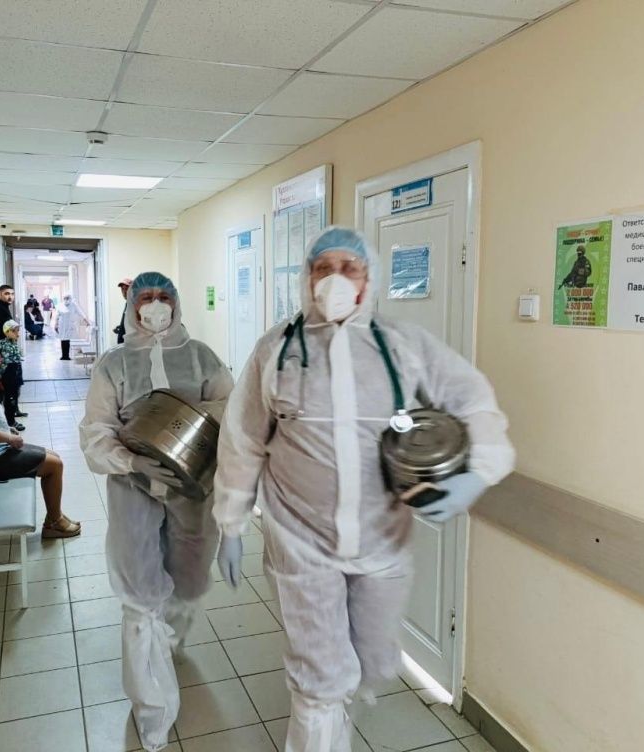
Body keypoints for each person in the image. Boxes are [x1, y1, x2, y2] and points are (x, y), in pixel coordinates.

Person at [213, 227, 515, 752]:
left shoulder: (403, 345)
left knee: (371, 662)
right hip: (300, 541)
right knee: (319, 680)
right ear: (307, 278)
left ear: (368, 278)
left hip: (381, 540)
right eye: (323, 268)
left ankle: (338, 721)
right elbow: (242, 439)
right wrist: (231, 521)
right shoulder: (277, 350)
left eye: (348, 268)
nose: (335, 279)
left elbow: (472, 399)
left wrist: (479, 472)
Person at [79, 271, 234, 751]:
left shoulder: (202, 356)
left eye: (164, 295)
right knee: (141, 597)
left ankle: (168, 643)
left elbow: (233, 407)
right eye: (145, 296)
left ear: (177, 302)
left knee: (188, 581)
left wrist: (193, 422)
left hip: (194, 488)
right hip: (134, 488)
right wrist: (131, 460)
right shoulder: (113, 364)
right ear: (131, 306)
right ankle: (153, 711)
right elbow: (95, 431)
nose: (155, 304)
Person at [0, 340, 81, 539]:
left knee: (54, 456)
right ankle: (54, 522)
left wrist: (7, 430)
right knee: (54, 466)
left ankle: (54, 517)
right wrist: (9, 438)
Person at [0, 320, 27, 430]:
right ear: (7, 332)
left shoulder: (14, 343)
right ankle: (10, 422)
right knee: (9, 398)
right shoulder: (1, 344)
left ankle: (13, 414)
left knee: (15, 395)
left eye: (18, 331)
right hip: (8, 374)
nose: (17, 333)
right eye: (15, 331)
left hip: (16, 372)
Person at [55, 293, 89, 360]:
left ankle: (67, 356)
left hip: (69, 325)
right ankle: (63, 356)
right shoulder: (60, 305)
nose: (66, 300)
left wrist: (86, 321)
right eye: (65, 298)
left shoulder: (73, 305)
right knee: (62, 339)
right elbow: (57, 315)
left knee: (67, 340)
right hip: (62, 325)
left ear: (70, 298)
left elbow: (80, 313)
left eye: (67, 298)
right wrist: (56, 324)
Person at [112, 278, 133, 345]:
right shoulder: (128, 303)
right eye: (122, 289)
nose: (124, 292)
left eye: (126, 289)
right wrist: (121, 328)